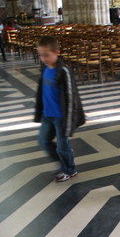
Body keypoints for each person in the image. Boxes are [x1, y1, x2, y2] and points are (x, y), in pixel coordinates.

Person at [34, 35, 85, 182]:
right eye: (41, 55)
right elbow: (41, 91)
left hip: (61, 117)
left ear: (57, 52)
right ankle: (64, 162)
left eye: (46, 55)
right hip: (47, 114)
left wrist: (69, 123)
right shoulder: (44, 68)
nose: (43, 58)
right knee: (44, 141)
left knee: (62, 146)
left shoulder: (64, 71)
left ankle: (70, 169)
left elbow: (71, 97)